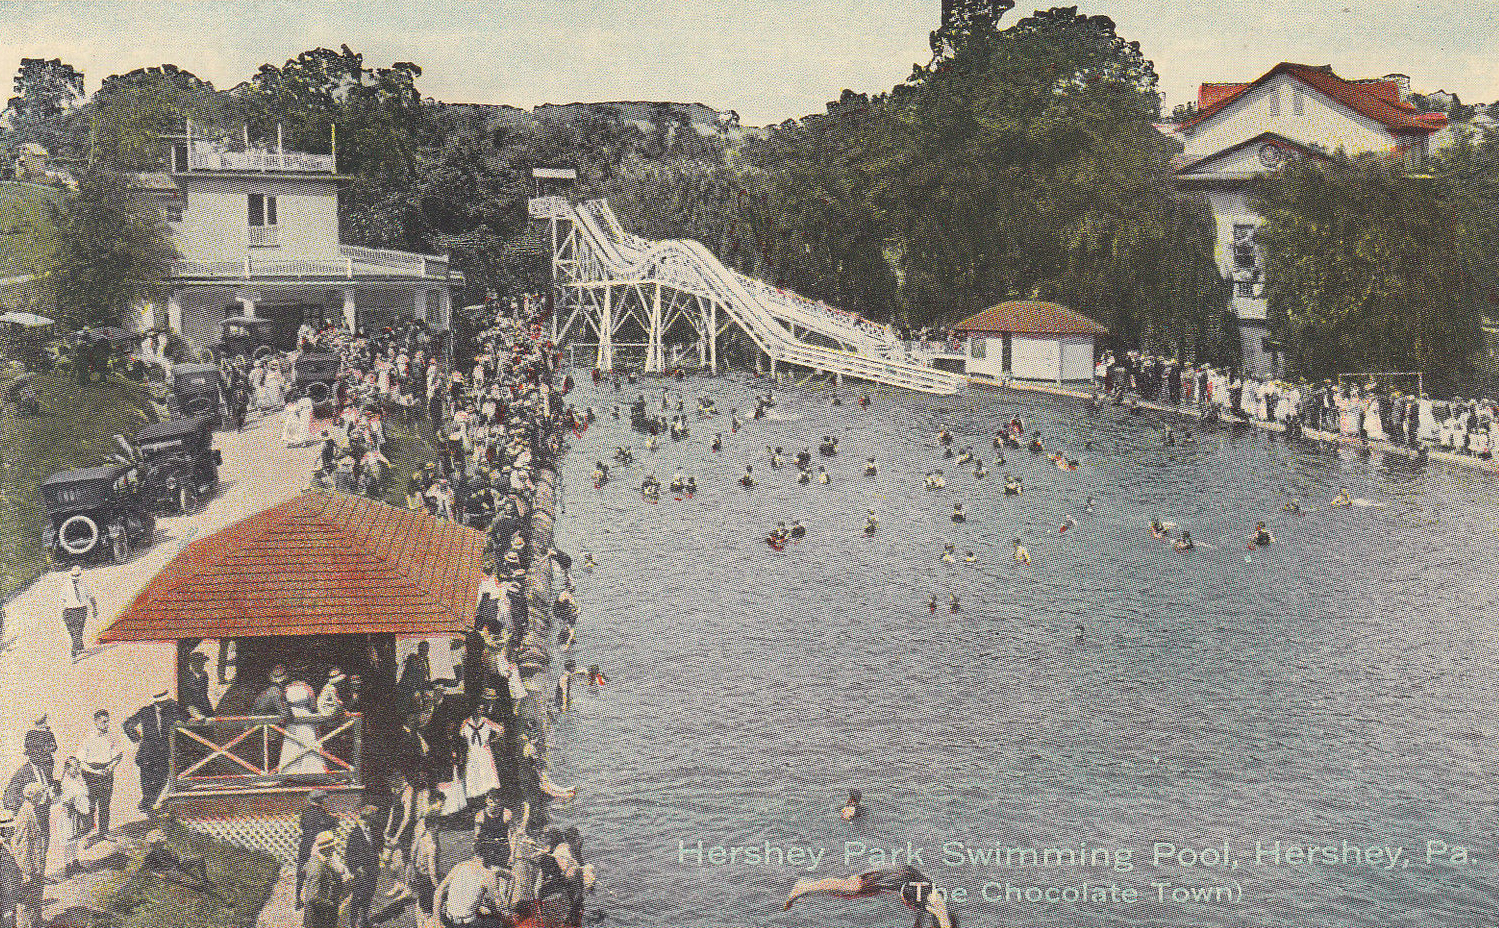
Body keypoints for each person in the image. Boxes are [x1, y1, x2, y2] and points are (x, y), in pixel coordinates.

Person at [785, 866, 955, 928]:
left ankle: (807, 886)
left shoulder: (932, 908)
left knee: (852, 888)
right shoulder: (937, 906)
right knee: (852, 887)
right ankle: (804, 885)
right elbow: (944, 920)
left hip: (903, 878)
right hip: (900, 878)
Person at [124, 690, 186, 813]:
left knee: (162, 777)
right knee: (146, 778)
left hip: (164, 751)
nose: (164, 705)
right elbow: (127, 724)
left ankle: (151, 803)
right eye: (161, 703)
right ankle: (147, 803)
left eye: (165, 703)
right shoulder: (146, 711)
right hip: (147, 752)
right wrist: (136, 738)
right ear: (156, 703)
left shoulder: (173, 708)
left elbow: (187, 717)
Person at [77, 708, 122, 845]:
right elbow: (81, 762)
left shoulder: (111, 737)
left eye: (108, 721)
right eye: (103, 722)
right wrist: (94, 772)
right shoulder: (88, 738)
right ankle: (88, 836)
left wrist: (111, 767)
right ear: (96, 722)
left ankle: (104, 832)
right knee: (90, 806)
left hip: (106, 773)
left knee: (105, 804)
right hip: (91, 774)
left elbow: (118, 755)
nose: (107, 724)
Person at [433, 851, 505, 928]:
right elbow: (499, 905)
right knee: (498, 923)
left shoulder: (460, 866)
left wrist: (437, 922)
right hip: (468, 923)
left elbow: (438, 891)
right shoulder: (489, 875)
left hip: (449, 919)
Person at [295, 791, 339, 908]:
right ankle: (319, 897)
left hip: (305, 845)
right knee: (322, 869)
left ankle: (297, 898)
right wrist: (334, 819)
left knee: (301, 871)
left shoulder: (305, 812)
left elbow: (302, 825)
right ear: (322, 801)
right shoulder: (322, 813)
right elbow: (329, 824)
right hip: (318, 846)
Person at [345, 805, 384, 928]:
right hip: (361, 871)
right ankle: (353, 922)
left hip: (372, 869)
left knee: (369, 894)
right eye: (374, 815)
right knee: (357, 896)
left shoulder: (373, 830)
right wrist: (356, 868)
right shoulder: (355, 834)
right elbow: (349, 854)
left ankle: (364, 919)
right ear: (368, 816)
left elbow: (378, 846)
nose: (376, 818)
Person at [12, 785, 45, 928]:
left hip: (32, 864)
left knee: (34, 896)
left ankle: (36, 923)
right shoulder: (26, 814)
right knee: (27, 900)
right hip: (28, 866)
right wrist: (26, 870)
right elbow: (22, 845)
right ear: (34, 796)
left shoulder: (29, 810)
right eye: (40, 794)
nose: (42, 797)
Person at [301, 830, 349, 928]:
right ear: (325, 849)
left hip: (326, 913)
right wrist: (331, 904)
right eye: (332, 847)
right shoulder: (317, 867)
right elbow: (312, 897)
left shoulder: (326, 861)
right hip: (318, 916)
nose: (334, 849)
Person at [136, 829, 211, 889]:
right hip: (170, 873)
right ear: (155, 843)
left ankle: (205, 882)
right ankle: (202, 883)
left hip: (176, 869)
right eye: (160, 842)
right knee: (189, 869)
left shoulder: (164, 851)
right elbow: (145, 869)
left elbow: (177, 861)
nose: (163, 843)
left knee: (199, 859)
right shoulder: (150, 856)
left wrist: (181, 860)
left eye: (162, 842)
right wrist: (158, 874)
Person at [58, 758, 89, 877]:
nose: (76, 769)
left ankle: (75, 862)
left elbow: (84, 792)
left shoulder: (78, 779)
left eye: (77, 767)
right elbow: (66, 799)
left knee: (75, 839)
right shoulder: (65, 782)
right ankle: (68, 866)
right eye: (73, 767)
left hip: (77, 812)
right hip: (68, 814)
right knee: (68, 841)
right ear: (67, 768)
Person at [60, 564, 96, 661]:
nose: (75, 579)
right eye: (73, 577)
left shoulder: (84, 585)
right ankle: (80, 647)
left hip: (81, 610)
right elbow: (62, 599)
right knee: (72, 632)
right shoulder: (66, 586)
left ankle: (73, 653)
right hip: (69, 611)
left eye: (76, 577)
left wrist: (94, 608)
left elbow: (91, 597)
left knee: (78, 632)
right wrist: (65, 612)